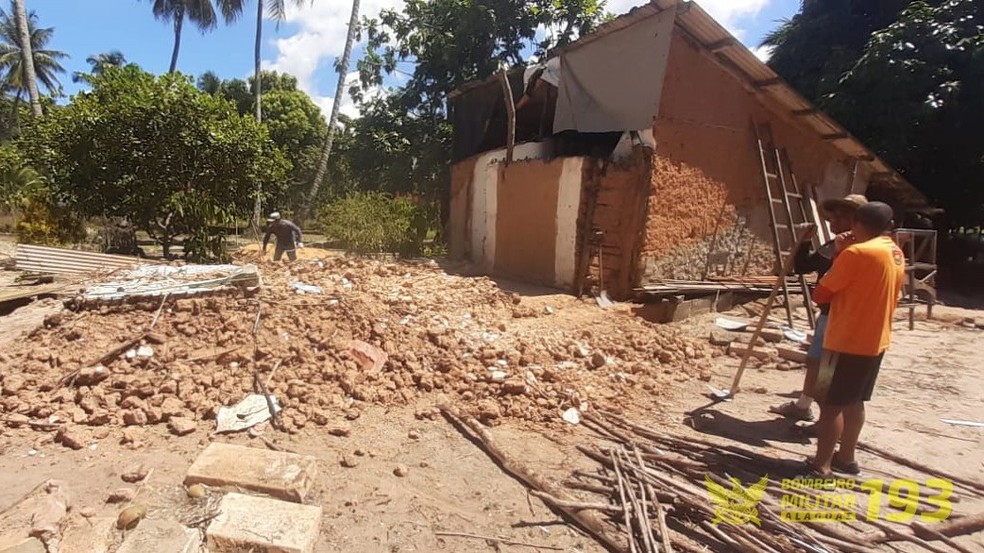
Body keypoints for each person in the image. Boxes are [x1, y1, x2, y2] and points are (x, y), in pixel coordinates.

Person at [801, 202, 905, 479]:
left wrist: (839, 252)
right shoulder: (894, 252)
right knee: (854, 400)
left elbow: (821, 294)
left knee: (829, 403)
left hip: (844, 341)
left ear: (856, 223)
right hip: (875, 341)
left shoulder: (856, 253)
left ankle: (821, 465)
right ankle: (846, 457)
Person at [770, 194, 867, 422]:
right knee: (817, 363)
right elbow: (803, 266)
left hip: (842, 316)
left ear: (857, 221)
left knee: (828, 370)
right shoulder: (832, 246)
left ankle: (828, 422)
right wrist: (804, 242)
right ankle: (804, 406)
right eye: (834, 215)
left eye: (843, 216)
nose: (835, 220)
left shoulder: (859, 251)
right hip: (827, 315)